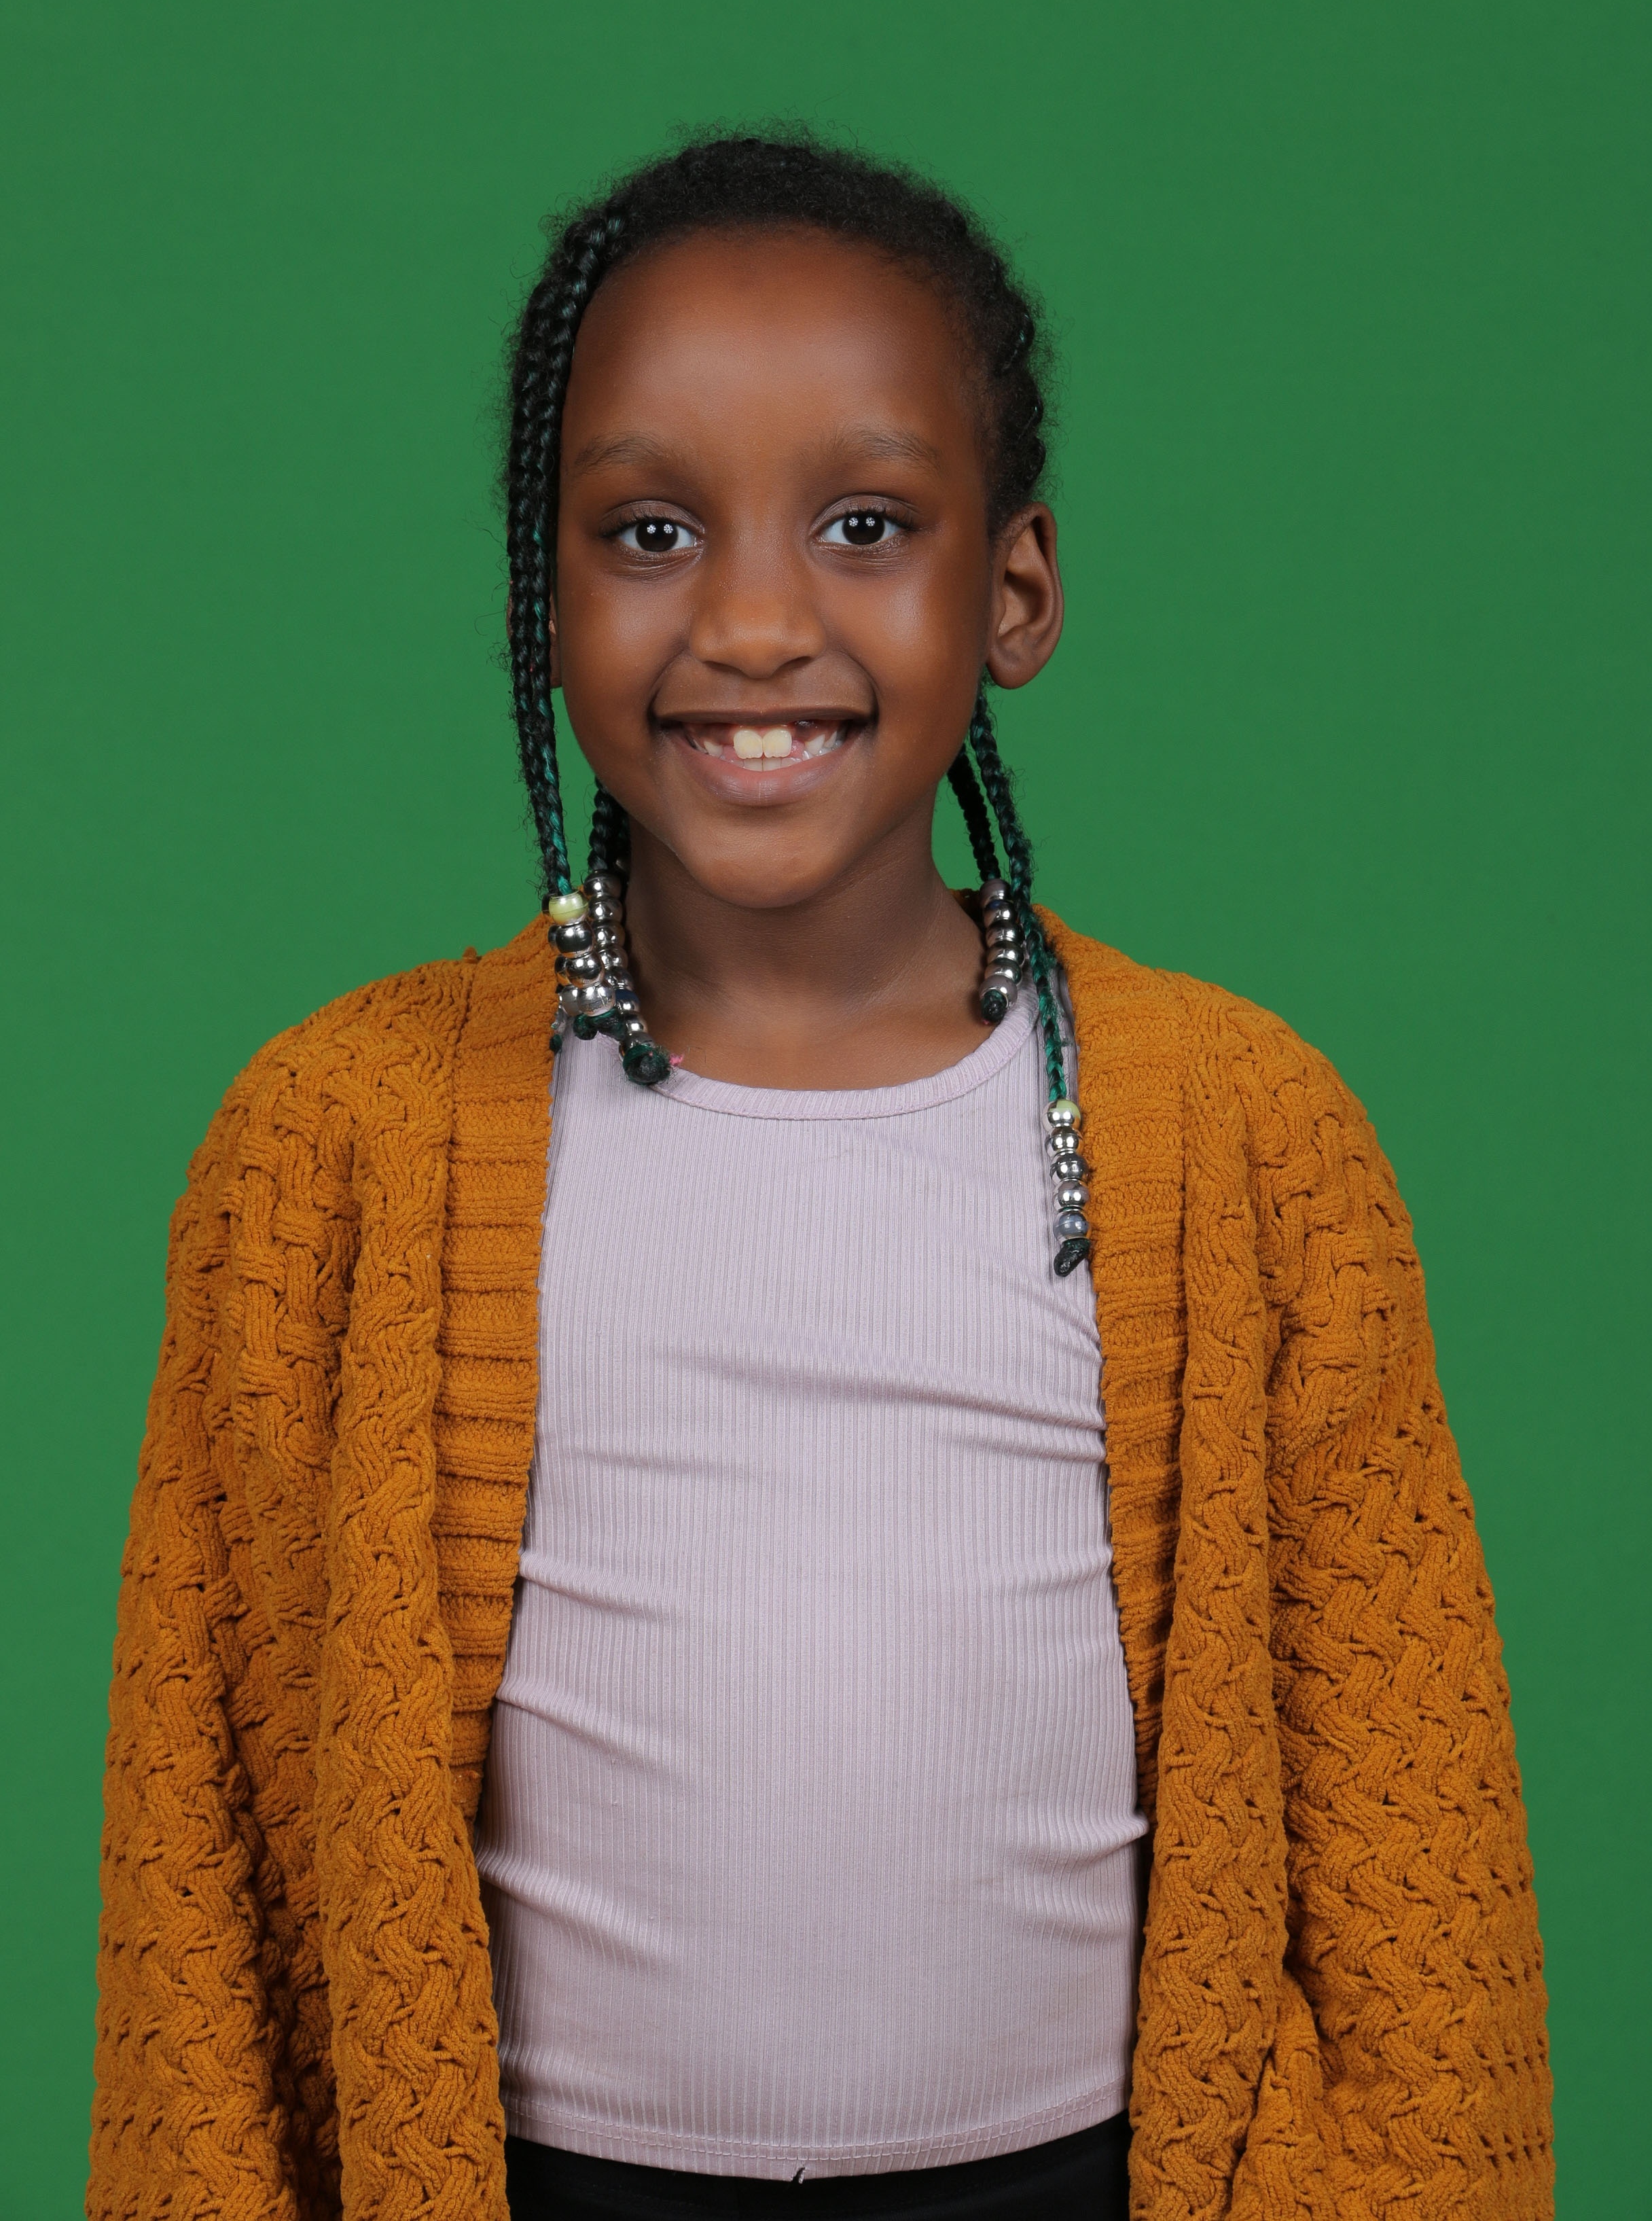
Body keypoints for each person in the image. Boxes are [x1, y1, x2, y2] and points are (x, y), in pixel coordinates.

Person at [89, 134, 1553, 2221]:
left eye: (865, 526)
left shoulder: (1249, 1142)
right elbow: (204, 1893)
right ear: (544, 588)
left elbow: (1424, 1898)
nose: (757, 621)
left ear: (1014, 593)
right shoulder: (335, 1151)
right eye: (650, 530)